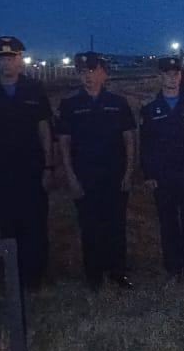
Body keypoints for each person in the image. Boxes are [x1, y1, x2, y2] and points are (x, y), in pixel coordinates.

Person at [0, 36, 55, 288]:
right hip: (0, 169)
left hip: (31, 168)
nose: (6, 63)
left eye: (11, 58)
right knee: (7, 222)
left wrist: (49, 165)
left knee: (35, 221)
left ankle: (36, 274)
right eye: (2, 59)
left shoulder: (34, 89)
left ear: (20, 60)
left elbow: (44, 129)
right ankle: (14, 275)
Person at [56, 52, 136, 291]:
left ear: (104, 73)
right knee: (89, 225)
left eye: (92, 71)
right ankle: (94, 274)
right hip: (85, 175)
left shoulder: (118, 103)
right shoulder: (70, 105)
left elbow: (129, 139)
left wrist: (129, 172)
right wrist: (70, 176)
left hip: (114, 174)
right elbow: (64, 143)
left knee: (116, 224)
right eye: (82, 72)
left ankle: (117, 271)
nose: (87, 76)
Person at [139, 56, 184, 285]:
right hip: (163, 176)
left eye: (176, 74)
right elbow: (146, 143)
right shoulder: (149, 107)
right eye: (167, 74)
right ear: (160, 77)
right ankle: (173, 268)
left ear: (180, 76)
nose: (172, 78)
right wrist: (148, 174)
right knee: (168, 223)